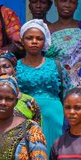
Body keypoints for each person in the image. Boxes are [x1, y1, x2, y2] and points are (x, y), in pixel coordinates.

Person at [17, 19, 67, 150]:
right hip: (26, 117)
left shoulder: (56, 65)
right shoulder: (15, 66)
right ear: (22, 40)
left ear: (44, 42)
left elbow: (66, 93)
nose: (34, 41)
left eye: (39, 38)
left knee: (56, 151)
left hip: (55, 116)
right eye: (29, 38)